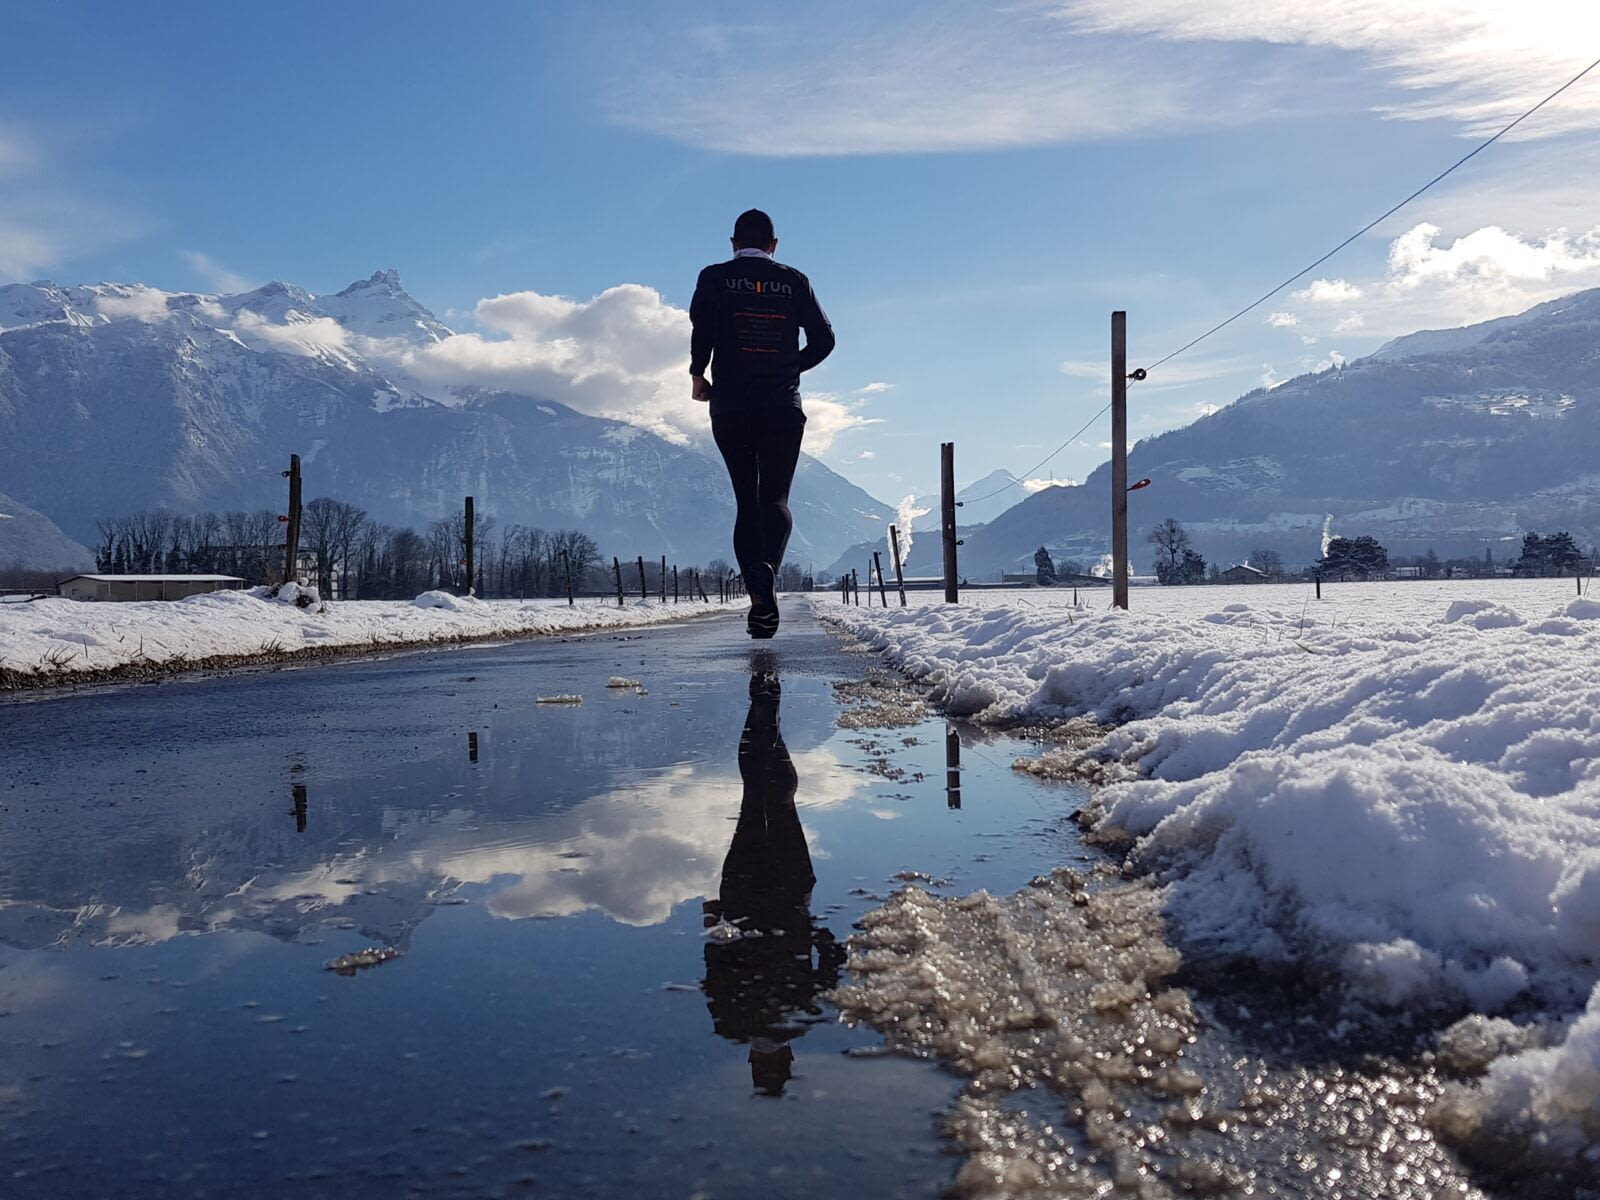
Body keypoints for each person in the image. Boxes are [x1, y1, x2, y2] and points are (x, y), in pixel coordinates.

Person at [701, 657, 844, 1095]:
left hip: (790, 892)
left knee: (779, 799)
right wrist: (714, 919)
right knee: (753, 799)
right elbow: (715, 967)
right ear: (751, 1060)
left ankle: (767, 701)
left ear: (786, 1058)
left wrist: (812, 928)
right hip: (741, 900)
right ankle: (764, 702)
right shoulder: (729, 1023)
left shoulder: (803, 1018)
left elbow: (832, 961)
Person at [690, 209, 835, 638]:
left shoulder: (713, 277)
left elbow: (703, 328)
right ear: (774, 245)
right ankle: (767, 571)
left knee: (744, 500)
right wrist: (789, 368)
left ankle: (757, 584)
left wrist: (700, 374)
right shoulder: (795, 280)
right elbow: (825, 340)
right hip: (781, 406)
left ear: (733, 243)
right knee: (774, 499)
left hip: (730, 404)